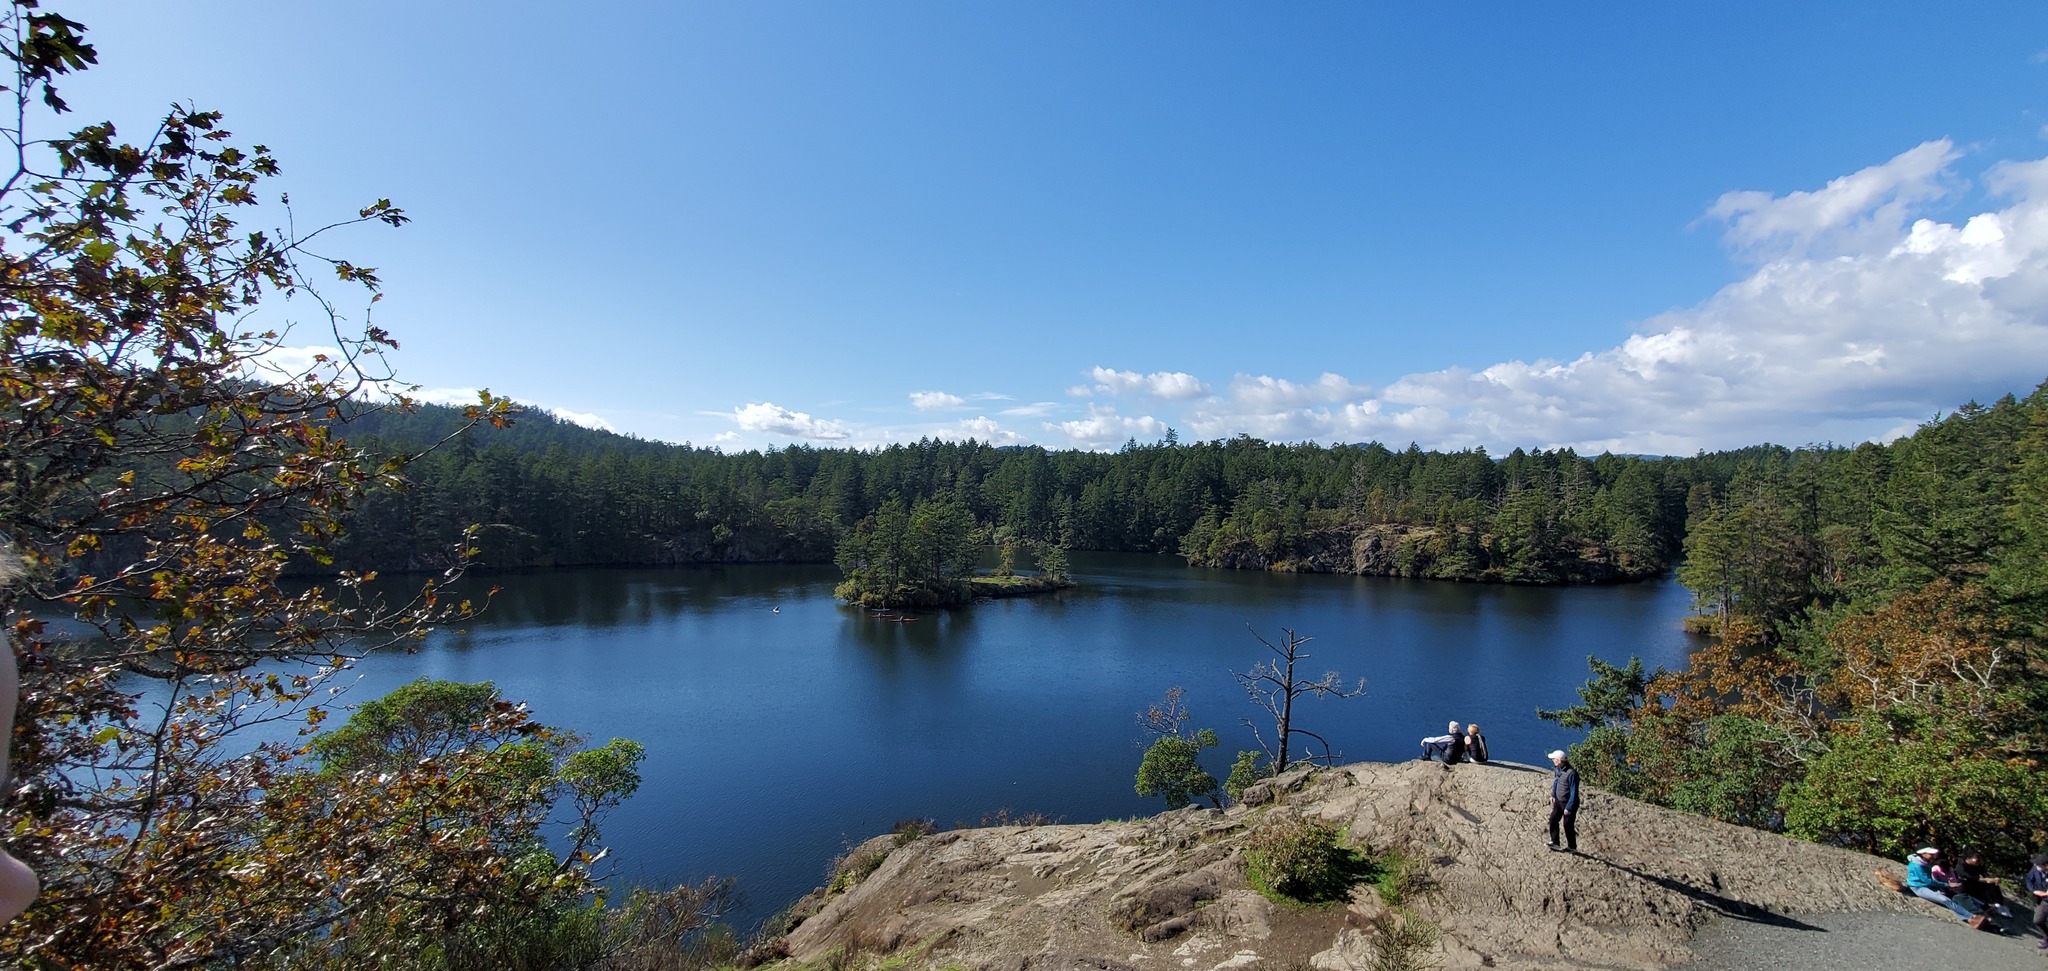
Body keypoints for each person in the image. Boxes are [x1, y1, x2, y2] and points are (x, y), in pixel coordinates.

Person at [1906, 848, 1987, 926]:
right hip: (1919, 888)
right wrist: (1947, 884)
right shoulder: (1917, 866)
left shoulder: (1924, 862)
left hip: (1928, 886)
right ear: (1922, 854)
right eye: (1930, 854)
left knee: (1953, 896)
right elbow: (1928, 881)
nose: (1933, 855)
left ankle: (1975, 914)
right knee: (1944, 899)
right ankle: (1971, 917)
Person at [1954, 847, 2009, 917]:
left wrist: (1993, 879)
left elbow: (1984, 873)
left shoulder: (1977, 865)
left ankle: (1999, 903)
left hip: (1977, 884)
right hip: (1966, 886)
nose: (1978, 863)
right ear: (1968, 858)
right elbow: (1971, 877)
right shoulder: (1960, 866)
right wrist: (1985, 880)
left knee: (1993, 884)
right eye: (1976, 861)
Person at [1546, 749, 1578, 853]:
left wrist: (1569, 807)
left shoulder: (1571, 774)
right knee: (1553, 819)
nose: (1553, 761)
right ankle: (1555, 842)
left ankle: (1572, 847)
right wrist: (1553, 795)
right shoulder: (1558, 770)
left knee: (1567, 825)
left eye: (1554, 759)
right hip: (1559, 801)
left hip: (1569, 803)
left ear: (1559, 760)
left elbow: (1574, 792)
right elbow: (1556, 782)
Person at [2026, 854, 2048, 948]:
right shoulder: (2035, 868)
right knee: (2038, 920)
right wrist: (2034, 891)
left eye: (2039, 865)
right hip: (2042, 899)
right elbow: (2028, 880)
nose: (2036, 866)